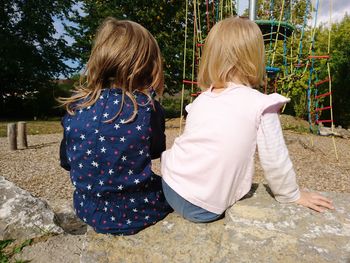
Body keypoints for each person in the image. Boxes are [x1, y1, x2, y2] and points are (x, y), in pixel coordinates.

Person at [160, 16, 334, 223]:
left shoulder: (200, 101)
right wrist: (292, 194)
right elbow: (275, 159)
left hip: (170, 185)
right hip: (204, 207)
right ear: (255, 58)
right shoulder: (261, 104)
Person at [59, 17, 172, 235]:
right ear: (148, 67)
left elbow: (66, 161)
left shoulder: (75, 107)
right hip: (138, 209)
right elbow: (157, 150)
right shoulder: (148, 109)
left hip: (87, 208)